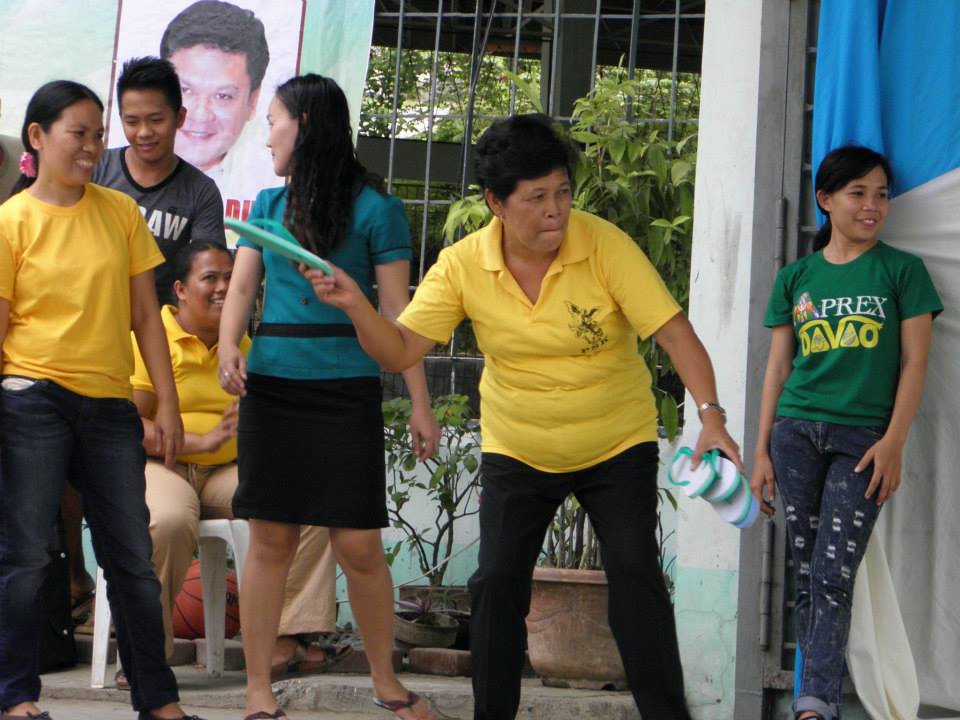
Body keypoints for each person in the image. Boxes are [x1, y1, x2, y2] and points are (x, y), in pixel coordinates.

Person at [302, 113, 743, 720]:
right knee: (495, 584)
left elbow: (675, 335)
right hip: (519, 444)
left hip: (616, 440)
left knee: (637, 577)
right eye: (536, 198)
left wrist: (711, 416)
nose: (555, 211)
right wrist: (357, 306)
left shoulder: (604, 245)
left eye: (562, 193)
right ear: (496, 203)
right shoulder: (462, 264)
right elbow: (400, 349)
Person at [217, 74, 440, 720]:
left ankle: (385, 680)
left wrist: (420, 403)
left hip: (347, 392)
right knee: (270, 541)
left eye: (275, 123)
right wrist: (231, 343)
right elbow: (240, 289)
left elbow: (403, 320)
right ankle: (257, 688)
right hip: (275, 389)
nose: (267, 138)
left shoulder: (378, 209)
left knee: (359, 547)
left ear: (306, 126)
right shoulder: (265, 205)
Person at [0, 80, 204, 720]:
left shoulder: (119, 212)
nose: (91, 147)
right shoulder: (11, 221)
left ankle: (158, 701)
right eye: (76, 134)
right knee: (27, 556)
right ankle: (15, 697)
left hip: (110, 407)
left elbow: (147, 315)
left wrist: (165, 405)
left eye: (96, 135)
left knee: (132, 560)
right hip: (30, 399)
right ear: (37, 137)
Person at [750, 146, 942, 720]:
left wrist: (895, 441)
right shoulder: (797, 278)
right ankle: (817, 703)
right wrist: (760, 450)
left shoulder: (902, 271)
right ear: (826, 199)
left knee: (834, 572)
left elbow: (914, 364)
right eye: (858, 193)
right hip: (795, 435)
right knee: (810, 573)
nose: (873, 205)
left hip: (863, 440)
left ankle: (817, 703)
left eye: (881, 194)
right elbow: (779, 368)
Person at [125, 241, 345, 686]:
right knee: (167, 520)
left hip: (225, 474)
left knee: (306, 500)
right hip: (160, 466)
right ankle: (148, 655)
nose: (224, 287)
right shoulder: (151, 339)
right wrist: (201, 441)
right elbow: (131, 426)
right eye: (211, 278)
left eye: (231, 277)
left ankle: (285, 637)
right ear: (181, 290)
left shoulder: (245, 345)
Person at [93, 56, 225, 305]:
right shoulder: (96, 170)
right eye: (132, 121)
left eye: (156, 120)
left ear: (180, 117)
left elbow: (207, 273)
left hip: (161, 327)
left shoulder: (201, 192)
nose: (144, 132)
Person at [160, 1, 268, 182]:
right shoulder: (115, 165)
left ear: (252, 101)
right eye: (185, 90)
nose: (201, 115)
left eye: (223, 96)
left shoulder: (268, 181)